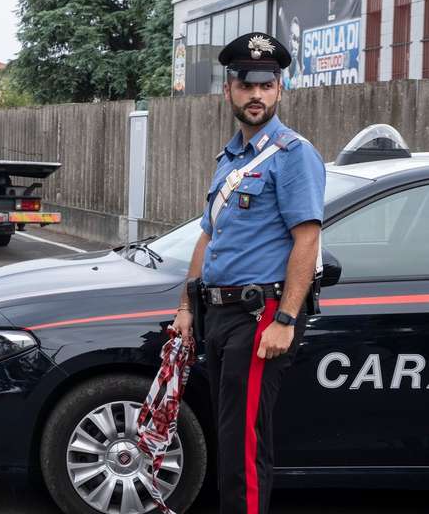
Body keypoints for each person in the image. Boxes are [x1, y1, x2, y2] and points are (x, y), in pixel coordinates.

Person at [172, 33, 325, 514]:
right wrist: (185, 307)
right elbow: (208, 236)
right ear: (229, 91)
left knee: (244, 444)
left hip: (261, 316)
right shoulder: (230, 159)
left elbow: (307, 239)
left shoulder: (292, 154)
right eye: (245, 84)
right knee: (230, 437)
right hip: (219, 315)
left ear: (280, 90)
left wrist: (285, 319)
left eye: (266, 84)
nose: (255, 94)